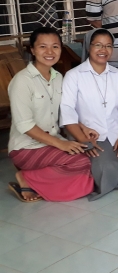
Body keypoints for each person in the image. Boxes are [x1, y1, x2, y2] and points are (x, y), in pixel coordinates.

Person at [7, 27, 93, 202]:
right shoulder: (22, 81)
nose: (49, 52)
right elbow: (24, 124)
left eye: (55, 46)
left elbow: (65, 112)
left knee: (90, 161)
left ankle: (40, 180)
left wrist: (83, 128)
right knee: (80, 162)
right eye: (42, 47)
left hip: (52, 142)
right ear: (32, 50)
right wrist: (61, 145)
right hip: (26, 147)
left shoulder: (59, 78)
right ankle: (26, 178)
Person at [61, 29, 118, 200]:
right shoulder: (74, 76)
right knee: (105, 166)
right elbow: (67, 110)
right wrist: (83, 140)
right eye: (98, 45)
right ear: (89, 47)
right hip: (89, 134)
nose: (103, 50)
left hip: (115, 131)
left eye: (108, 46)